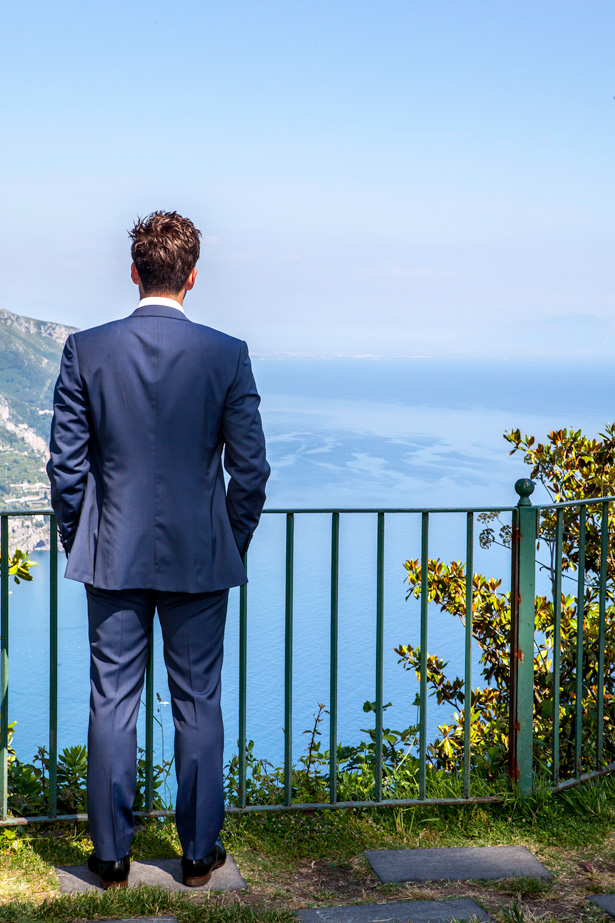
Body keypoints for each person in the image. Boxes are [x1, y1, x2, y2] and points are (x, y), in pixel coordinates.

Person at [47, 211, 270, 889]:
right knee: (197, 702)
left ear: (135, 270)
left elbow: (66, 469)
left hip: (111, 554)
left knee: (111, 701)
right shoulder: (226, 353)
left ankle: (111, 857)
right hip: (200, 559)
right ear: (192, 276)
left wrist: (82, 538)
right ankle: (199, 854)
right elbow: (251, 471)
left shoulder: (87, 350)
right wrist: (226, 541)